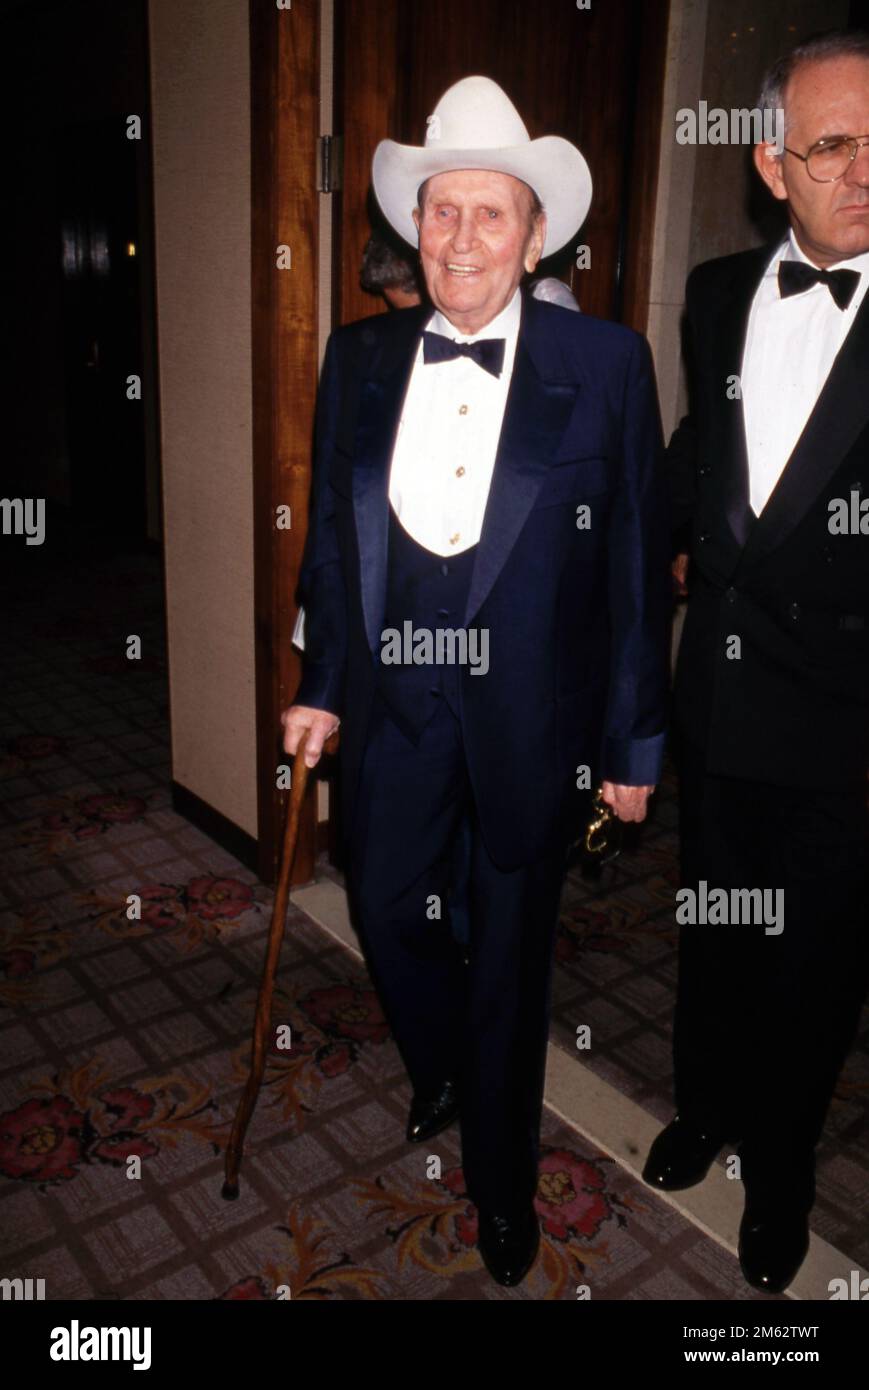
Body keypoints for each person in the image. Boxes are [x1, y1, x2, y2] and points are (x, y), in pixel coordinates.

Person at [282, 75, 670, 1287]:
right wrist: (320, 680)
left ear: (532, 231)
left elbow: (629, 576)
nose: (458, 239)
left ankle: (503, 1188)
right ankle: (443, 1059)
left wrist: (631, 746)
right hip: (395, 703)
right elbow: (338, 547)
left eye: (486, 214)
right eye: (439, 213)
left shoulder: (604, 364)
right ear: (416, 227)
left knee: (509, 964)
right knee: (386, 907)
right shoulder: (358, 358)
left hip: (528, 722)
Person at [643, 29, 869, 1295]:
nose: (859, 172)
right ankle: (703, 1108)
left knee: (812, 974)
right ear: (770, 161)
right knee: (712, 928)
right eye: (830, 146)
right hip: (714, 702)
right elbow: (703, 457)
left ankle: (778, 1180)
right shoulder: (718, 292)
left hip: (842, 740)